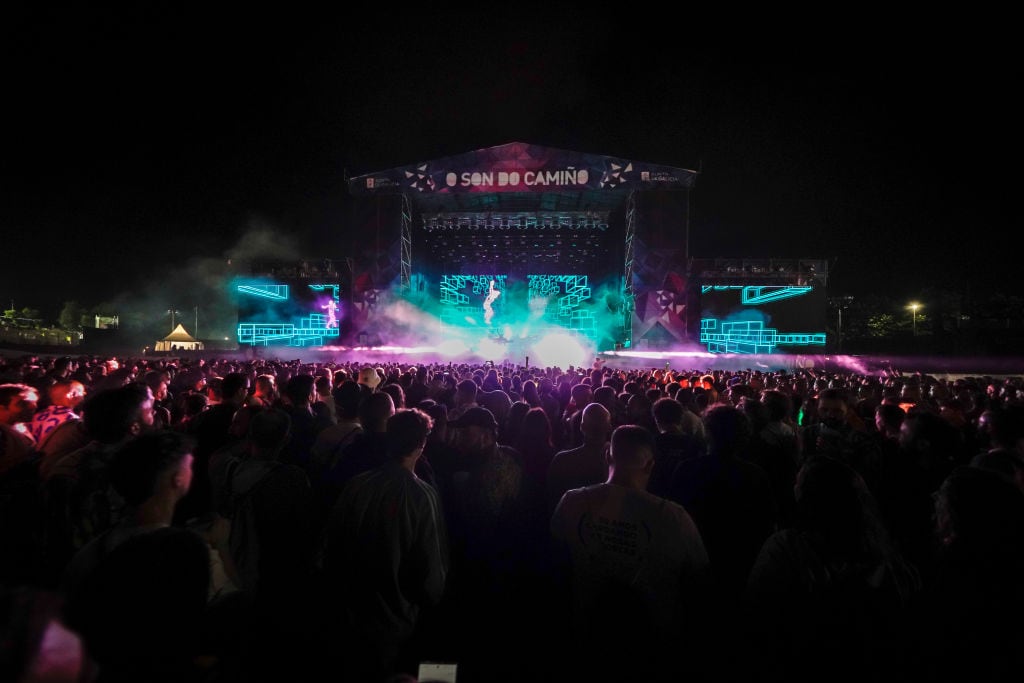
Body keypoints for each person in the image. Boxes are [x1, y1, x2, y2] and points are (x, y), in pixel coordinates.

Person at [551, 425, 710, 682]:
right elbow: (700, 579)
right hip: (655, 641)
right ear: (649, 466)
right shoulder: (673, 517)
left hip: (583, 630)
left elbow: (554, 566)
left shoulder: (572, 502)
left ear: (607, 455)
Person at [325, 408, 448, 681]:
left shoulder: (357, 485)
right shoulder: (421, 495)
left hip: (353, 614)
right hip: (398, 621)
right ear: (421, 443)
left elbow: (333, 543)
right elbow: (431, 575)